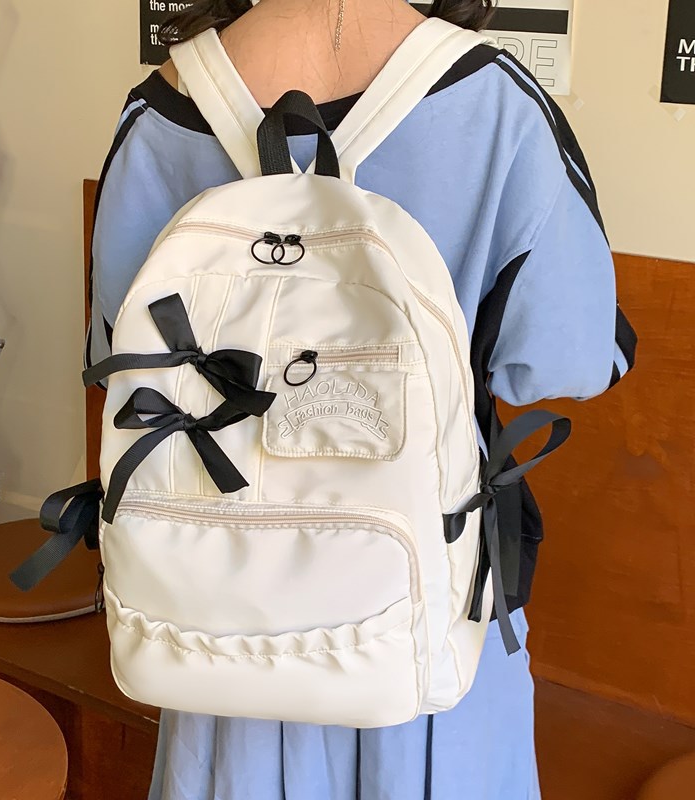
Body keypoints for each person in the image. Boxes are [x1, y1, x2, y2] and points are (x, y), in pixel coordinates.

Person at [87, 1, 636, 798]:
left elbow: (120, 364)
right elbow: (567, 361)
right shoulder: (498, 104)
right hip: (421, 626)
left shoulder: (162, 109)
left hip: (214, 633)